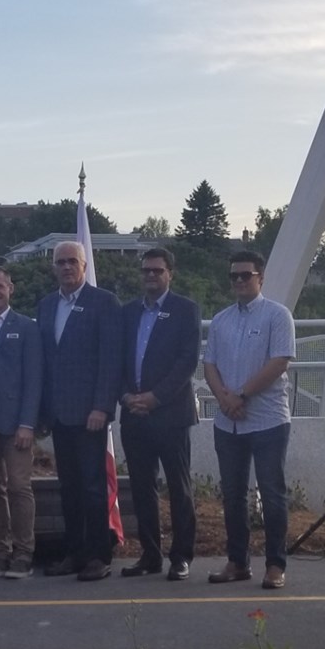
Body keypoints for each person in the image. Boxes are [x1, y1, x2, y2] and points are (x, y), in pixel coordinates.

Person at [202, 250, 295, 590]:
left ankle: (275, 565)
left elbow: (279, 361)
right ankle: (237, 562)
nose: (239, 281)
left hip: (267, 420)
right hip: (229, 422)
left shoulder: (277, 316)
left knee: (272, 494)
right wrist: (225, 399)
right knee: (233, 495)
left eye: (246, 275)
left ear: (261, 278)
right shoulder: (222, 319)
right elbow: (209, 364)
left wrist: (241, 395)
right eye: (234, 276)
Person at [36, 241, 121, 582]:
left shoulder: (104, 303)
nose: (67, 267)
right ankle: (74, 552)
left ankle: (99, 555)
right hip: (58, 415)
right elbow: (44, 362)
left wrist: (102, 406)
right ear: (54, 267)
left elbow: (110, 361)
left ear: (85, 266)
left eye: (73, 261)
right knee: (68, 487)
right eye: (61, 262)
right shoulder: (45, 305)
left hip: (90, 415)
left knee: (93, 487)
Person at [118, 248, 201, 581]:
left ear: (170, 273)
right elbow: (116, 359)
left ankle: (181, 556)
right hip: (133, 414)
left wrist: (155, 398)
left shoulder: (185, 310)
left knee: (179, 489)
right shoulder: (126, 313)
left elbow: (186, 362)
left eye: (157, 270)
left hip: (171, 415)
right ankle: (150, 555)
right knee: (141, 488)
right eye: (145, 271)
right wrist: (126, 396)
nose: (150, 276)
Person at [0, 265, 41, 580]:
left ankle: (24, 554)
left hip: (16, 422)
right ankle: (1, 553)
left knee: (18, 486)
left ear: (10, 289)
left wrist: (28, 422)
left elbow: (34, 379)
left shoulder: (26, 327)